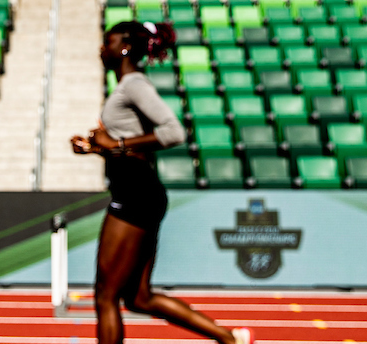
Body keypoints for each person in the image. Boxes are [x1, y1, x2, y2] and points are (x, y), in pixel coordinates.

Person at [72, 21, 254, 344]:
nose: (103, 48)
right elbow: (131, 148)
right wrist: (96, 147)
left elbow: (173, 132)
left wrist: (114, 145)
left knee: (105, 296)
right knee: (139, 298)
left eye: (108, 42)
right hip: (140, 190)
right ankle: (229, 339)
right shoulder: (125, 87)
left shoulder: (133, 84)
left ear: (125, 47)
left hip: (135, 194)